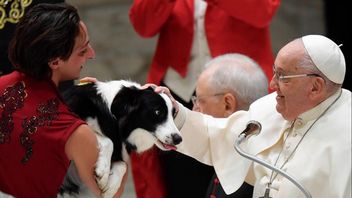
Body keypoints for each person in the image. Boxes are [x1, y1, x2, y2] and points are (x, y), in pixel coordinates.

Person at [157, 34, 351, 197]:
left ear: (315, 87)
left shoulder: (346, 134)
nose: (273, 84)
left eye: (283, 76)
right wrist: (174, 112)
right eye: (275, 72)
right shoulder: (268, 107)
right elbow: (219, 137)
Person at [128, 0, 280, 196]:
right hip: (179, 90)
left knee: (243, 177)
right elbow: (143, 25)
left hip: (238, 90)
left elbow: (263, 10)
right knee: (180, 182)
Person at [0, 3, 123, 197]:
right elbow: (110, 193)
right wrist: (111, 121)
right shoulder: (74, 132)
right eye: (82, 51)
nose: (91, 54)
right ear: (55, 61)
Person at [191, 53, 268, 197]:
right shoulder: (229, 145)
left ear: (228, 104)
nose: (194, 110)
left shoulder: (256, 168)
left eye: (199, 101)